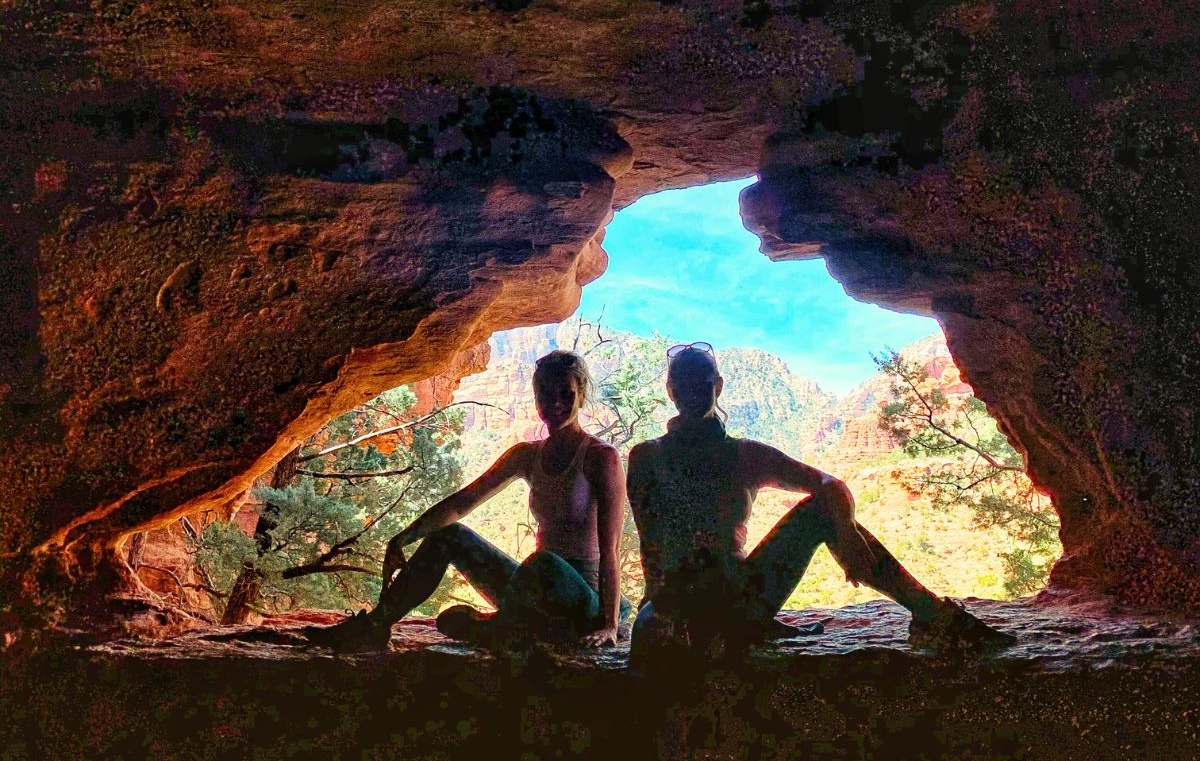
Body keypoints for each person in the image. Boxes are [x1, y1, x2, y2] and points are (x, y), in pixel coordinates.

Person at [625, 342, 1015, 663]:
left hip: (733, 599)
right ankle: (931, 614)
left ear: (718, 386)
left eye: (702, 383)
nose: (693, 392)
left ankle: (929, 612)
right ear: (672, 390)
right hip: (703, 603)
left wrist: (845, 531)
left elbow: (831, 484)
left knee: (823, 509)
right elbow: (652, 547)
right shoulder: (650, 458)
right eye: (684, 384)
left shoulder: (740, 455)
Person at [304, 350, 631, 652]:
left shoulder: (600, 458)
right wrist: (403, 538)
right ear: (535, 398)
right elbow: (462, 502)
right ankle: (375, 627)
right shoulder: (527, 455)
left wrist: (610, 625)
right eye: (546, 393)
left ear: (582, 395)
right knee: (451, 534)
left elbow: (610, 550)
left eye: (566, 394)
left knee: (544, 563)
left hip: (581, 599)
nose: (555, 402)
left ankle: (500, 628)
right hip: (530, 591)